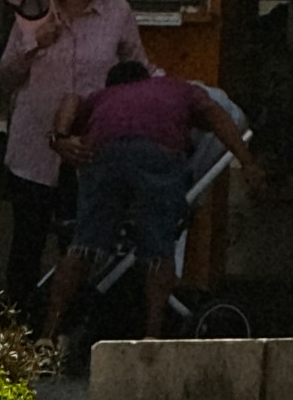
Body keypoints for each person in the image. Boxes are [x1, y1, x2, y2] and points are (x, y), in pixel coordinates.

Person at [57, 26, 252, 349]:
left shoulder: (104, 96)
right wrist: (248, 162)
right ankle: (152, 336)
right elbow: (215, 115)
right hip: (158, 162)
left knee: (82, 247)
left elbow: (71, 101)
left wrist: (60, 139)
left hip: (105, 161)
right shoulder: (179, 89)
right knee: (159, 249)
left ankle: (49, 336)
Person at [0, 0, 136, 297]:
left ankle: (69, 329)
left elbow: (136, 69)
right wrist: (33, 43)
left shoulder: (115, 12)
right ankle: (18, 331)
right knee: (27, 241)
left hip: (87, 146)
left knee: (79, 243)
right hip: (34, 145)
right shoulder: (34, 10)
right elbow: (6, 76)